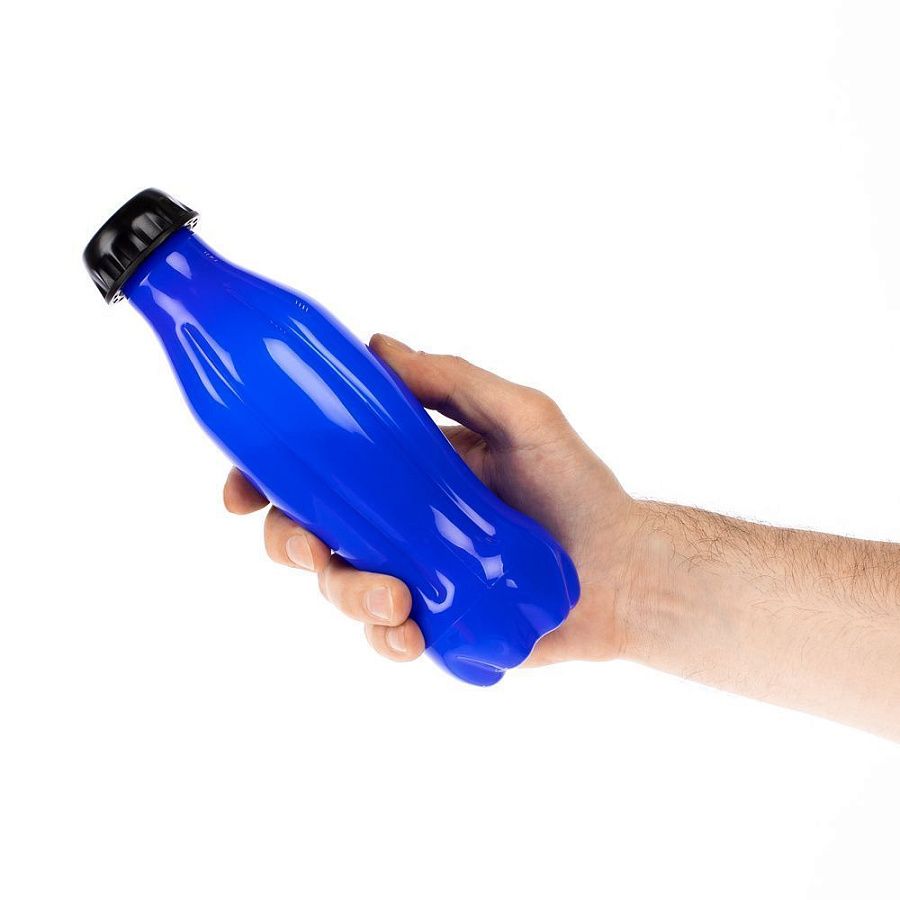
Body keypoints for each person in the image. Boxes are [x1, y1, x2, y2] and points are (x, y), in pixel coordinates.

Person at [223, 334, 900, 741]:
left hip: (487, 574)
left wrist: (626, 574)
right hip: (515, 565)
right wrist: (624, 577)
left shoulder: (232, 359)